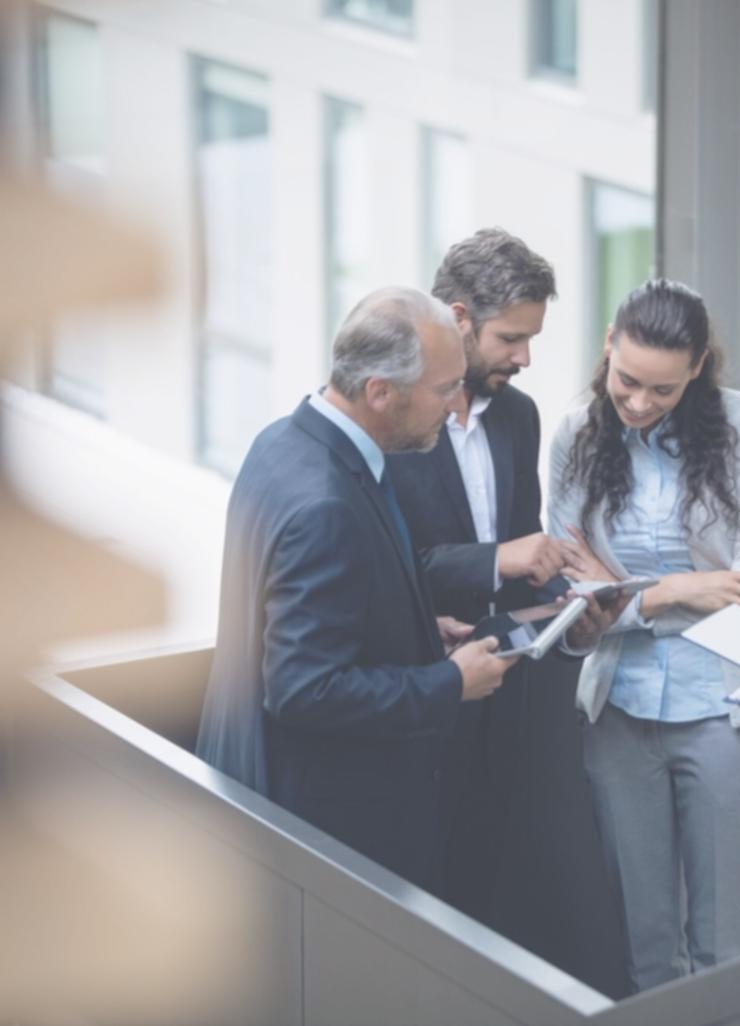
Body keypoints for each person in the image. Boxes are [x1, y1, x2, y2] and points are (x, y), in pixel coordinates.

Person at [194, 286, 518, 892]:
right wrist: (448, 682)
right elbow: (303, 688)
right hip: (326, 828)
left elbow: (315, 614)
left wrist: (421, 627)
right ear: (379, 392)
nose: (454, 411)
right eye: (445, 390)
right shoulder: (325, 505)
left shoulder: (279, 443)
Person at [547, 279, 740, 993]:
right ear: (606, 351)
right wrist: (681, 589)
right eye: (627, 382)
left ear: (698, 370)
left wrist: (622, 596)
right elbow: (569, 599)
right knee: (648, 957)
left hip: (725, 715)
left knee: (727, 956)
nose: (640, 404)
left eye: (663, 389)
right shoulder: (574, 433)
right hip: (617, 714)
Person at [387, 227, 579, 924]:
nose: (524, 358)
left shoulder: (518, 417)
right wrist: (499, 557)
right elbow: (388, 570)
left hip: (502, 707)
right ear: (459, 320)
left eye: (531, 339)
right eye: (510, 339)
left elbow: (526, 561)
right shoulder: (391, 416)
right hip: (415, 706)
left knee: (482, 898)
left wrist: (571, 605)